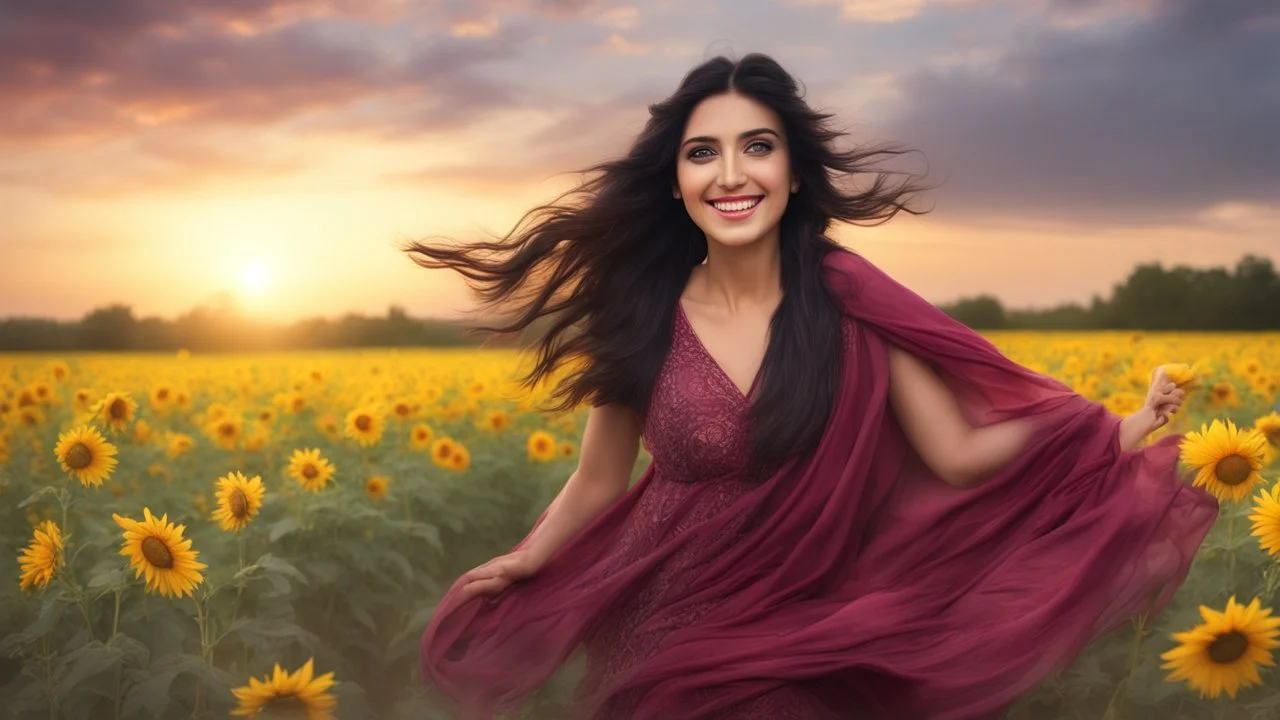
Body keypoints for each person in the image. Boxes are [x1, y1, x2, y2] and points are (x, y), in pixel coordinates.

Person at [404, 52, 1217, 720]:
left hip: (798, 621)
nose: (731, 173)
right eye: (702, 153)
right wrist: (528, 557)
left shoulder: (848, 301)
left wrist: (1121, 426)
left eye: (757, 146)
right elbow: (598, 478)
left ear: (793, 173)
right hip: (657, 627)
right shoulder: (644, 312)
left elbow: (959, 453)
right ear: (677, 183)